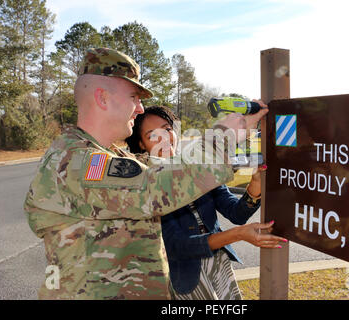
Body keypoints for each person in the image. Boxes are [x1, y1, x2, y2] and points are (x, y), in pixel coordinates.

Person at [23, 47, 269, 300]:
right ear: (103, 98)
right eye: (134, 97)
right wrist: (223, 138)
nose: (140, 108)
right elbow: (153, 188)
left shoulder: (107, 155)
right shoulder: (77, 162)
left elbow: (161, 169)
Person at [125, 105, 287, 300]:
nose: (165, 138)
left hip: (218, 262)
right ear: (141, 143)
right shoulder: (146, 184)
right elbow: (178, 246)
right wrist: (238, 235)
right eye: (153, 134)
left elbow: (237, 213)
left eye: (167, 129)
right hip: (184, 275)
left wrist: (255, 184)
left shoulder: (195, 168)